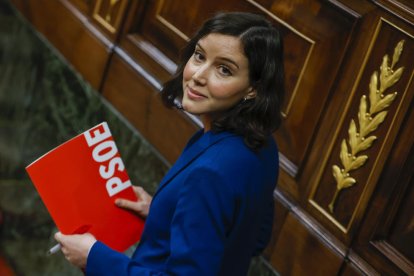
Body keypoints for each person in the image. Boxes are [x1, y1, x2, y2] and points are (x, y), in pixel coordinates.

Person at [54, 11, 285, 276]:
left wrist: (93, 256)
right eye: (199, 56)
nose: (198, 74)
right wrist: (163, 213)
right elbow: (253, 239)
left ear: (253, 88)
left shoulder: (209, 173)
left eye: (224, 69)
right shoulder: (264, 145)